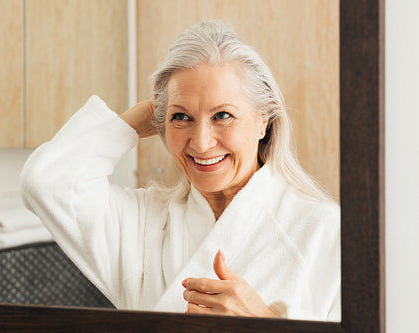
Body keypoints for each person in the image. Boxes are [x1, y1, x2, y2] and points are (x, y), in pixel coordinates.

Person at [20, 20, 340, 321]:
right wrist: (136, 119)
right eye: (181, 117)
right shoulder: (145, 223)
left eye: (223, 115)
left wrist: (267, 325)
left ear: (263, 122)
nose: (200, 143)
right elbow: (48, 182)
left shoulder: (324, 231)